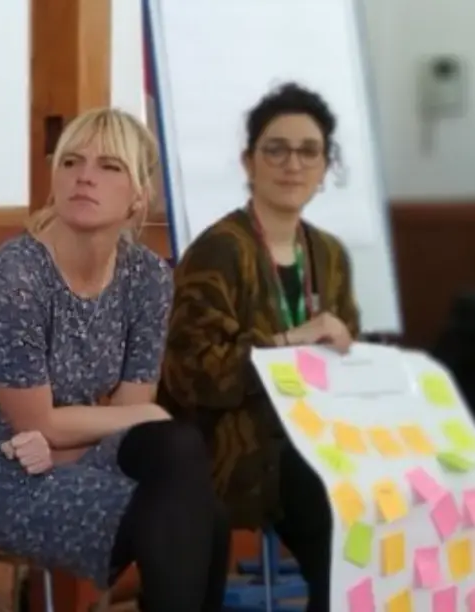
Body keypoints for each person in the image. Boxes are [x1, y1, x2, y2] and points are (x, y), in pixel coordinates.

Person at [0, 108, 229, 611]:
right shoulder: (16, 277)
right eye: (72, 162)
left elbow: (131, 415)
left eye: (109, 166)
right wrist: (143, 415)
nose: (85, 176)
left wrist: (136, 418)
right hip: (1, 474)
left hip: (79, 453)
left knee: (182, 461)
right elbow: (39, 425)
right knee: (185, 511)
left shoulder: (147, 277)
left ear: (138, 195)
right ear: (55, 178)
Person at [159, 82, 359, 611]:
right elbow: (192, 376)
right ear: (249, 162)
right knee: (342, 517)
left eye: (309, 151)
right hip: (237, 444)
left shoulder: (329, 255)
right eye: (276, 149)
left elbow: (344, 363)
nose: (293, 164)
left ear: (325, 166)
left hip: (319, 434)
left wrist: (348, 355)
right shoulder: (219, 250)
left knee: (404, 494)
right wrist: (287, 341)